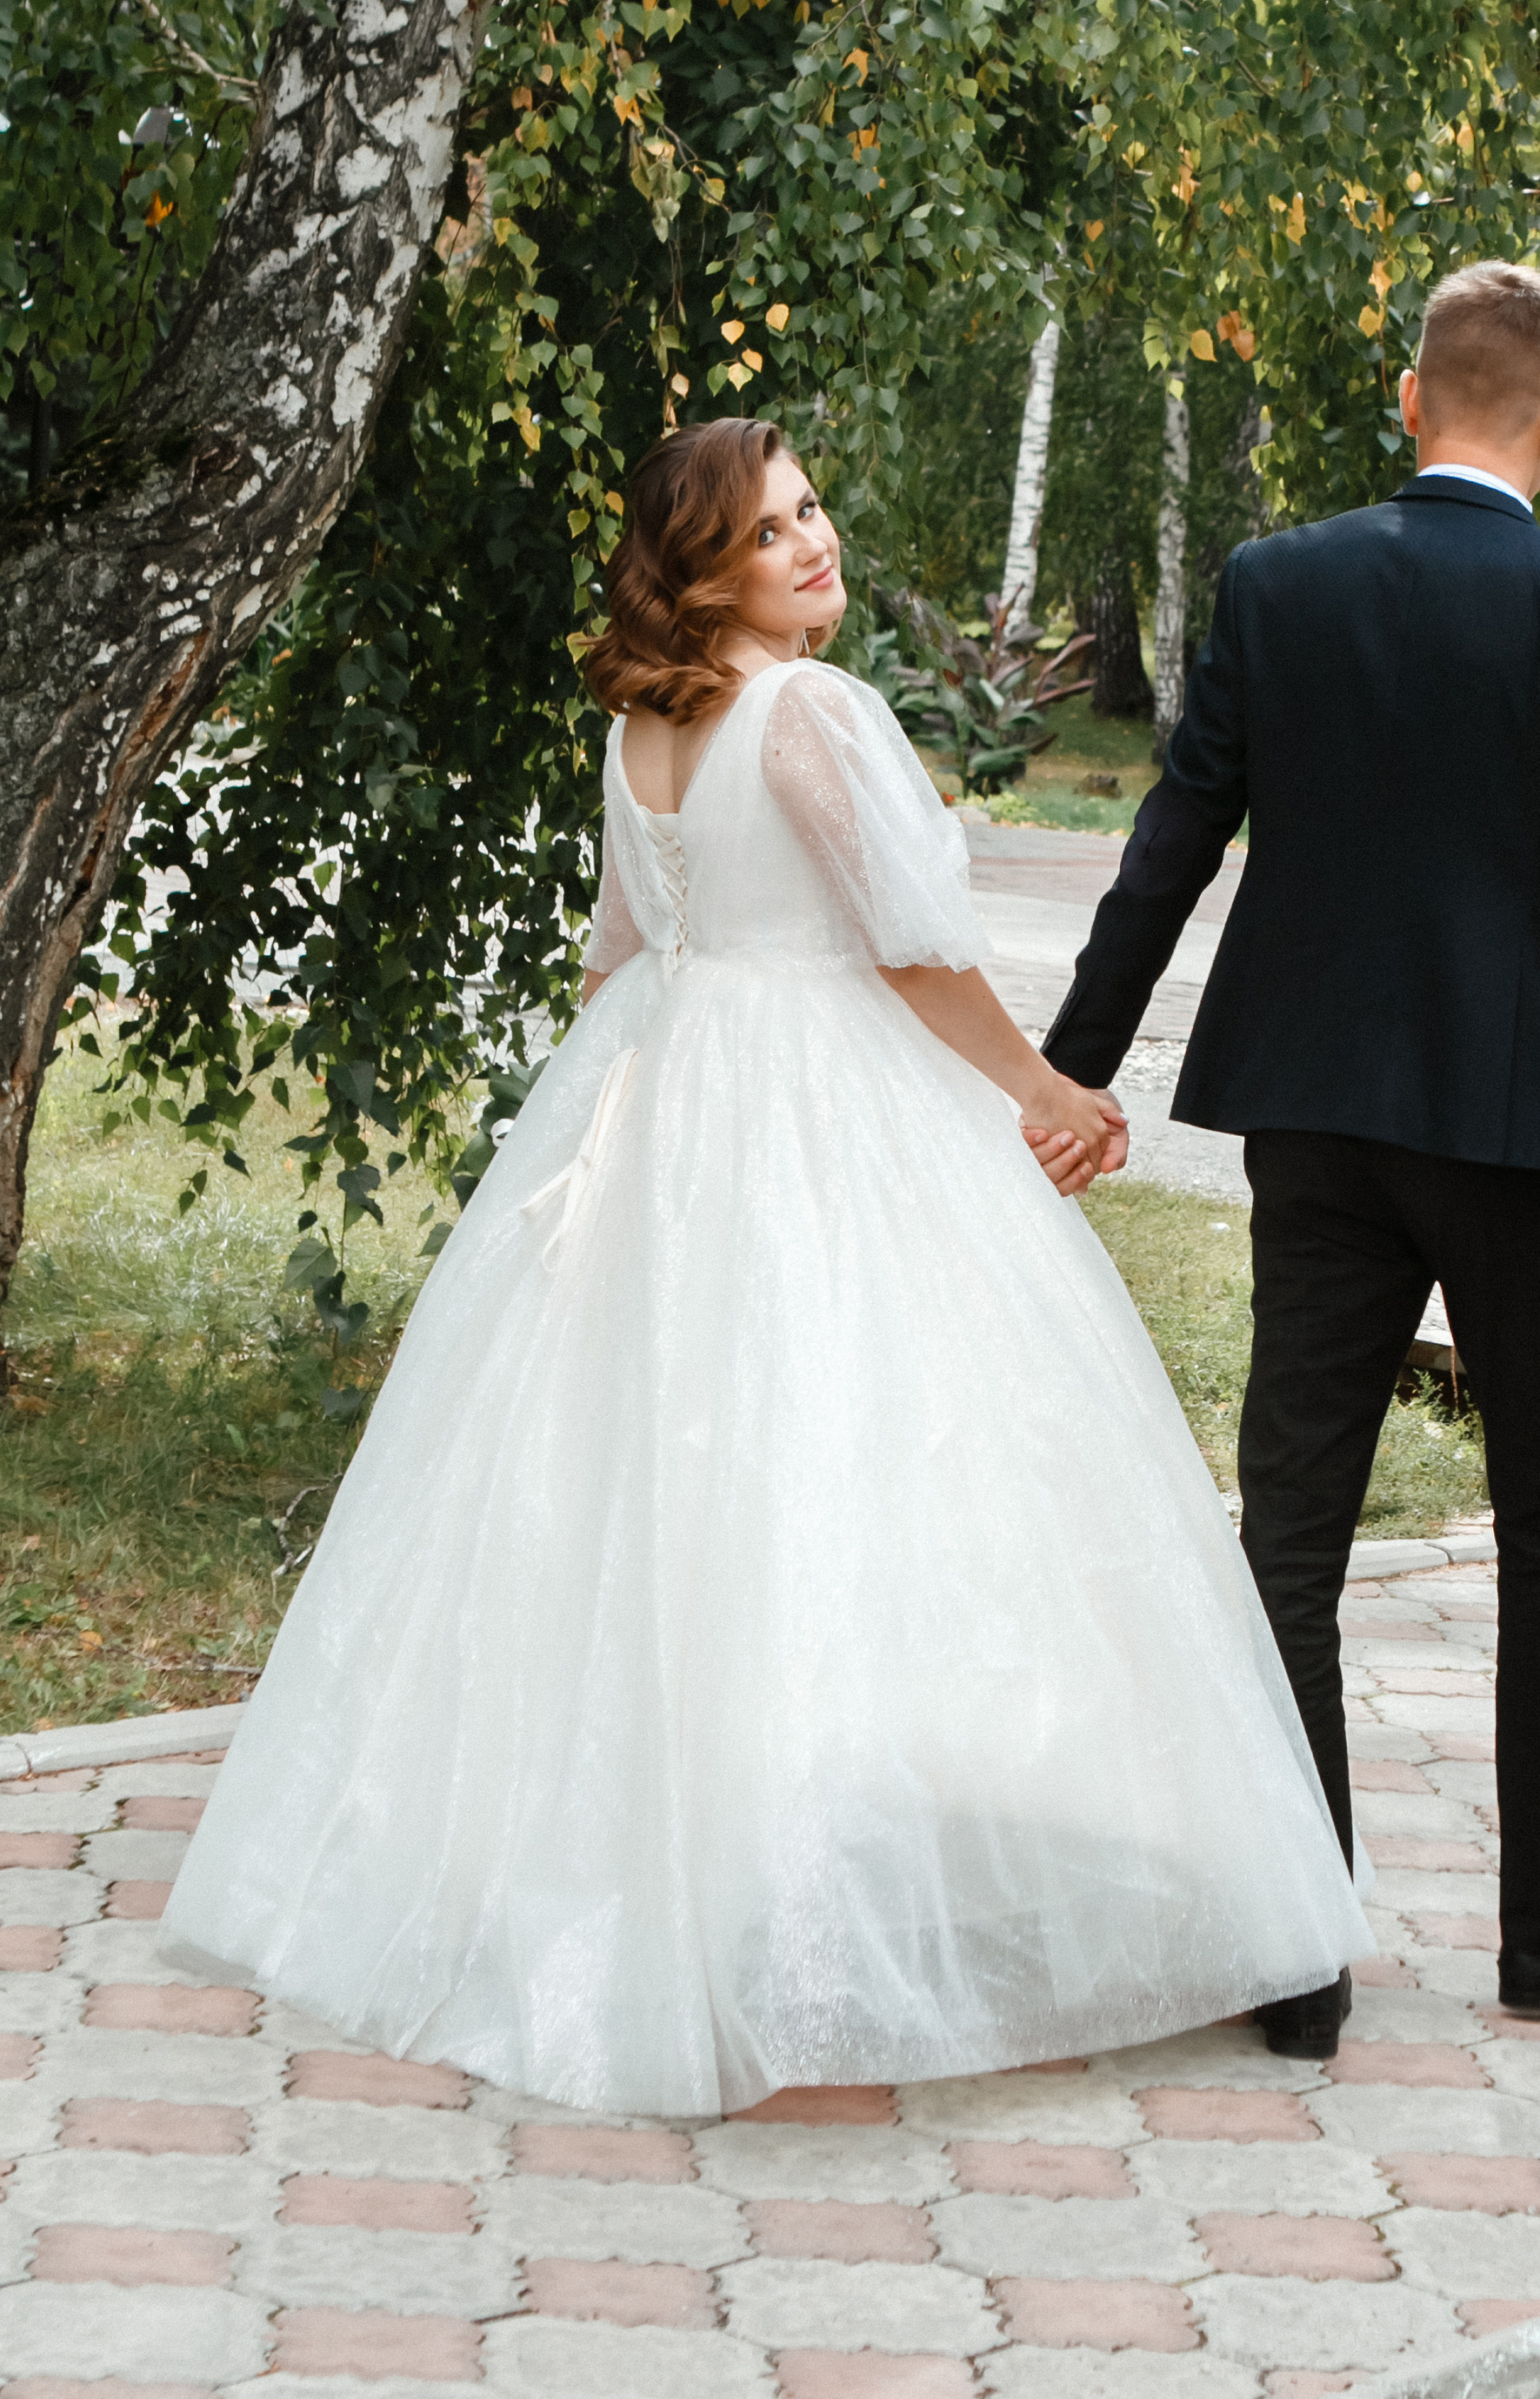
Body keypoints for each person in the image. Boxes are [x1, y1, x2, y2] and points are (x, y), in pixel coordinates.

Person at [163, 417, 1370, 2117]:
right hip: (811, 1100)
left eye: (810, 512)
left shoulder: (643, 731)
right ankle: (818, 1914)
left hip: (678, 1087)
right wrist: (1037, 1087)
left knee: (688, 1476)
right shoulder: (808, 712)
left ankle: (718, 1861)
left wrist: (594, 1150)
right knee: (862, 1448)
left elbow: (617, 965)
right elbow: (905, 943)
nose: (812, 544)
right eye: (769, 530)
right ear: (707, 569)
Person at [1043, 260, 1540, 2059]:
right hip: (1523, 1145)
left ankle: (1296, 1949)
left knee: (1292, 1534)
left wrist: (1068, 1070)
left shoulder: (1277, 585)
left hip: (1316, 1128)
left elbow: (1167, 844)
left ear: (1411, 399)